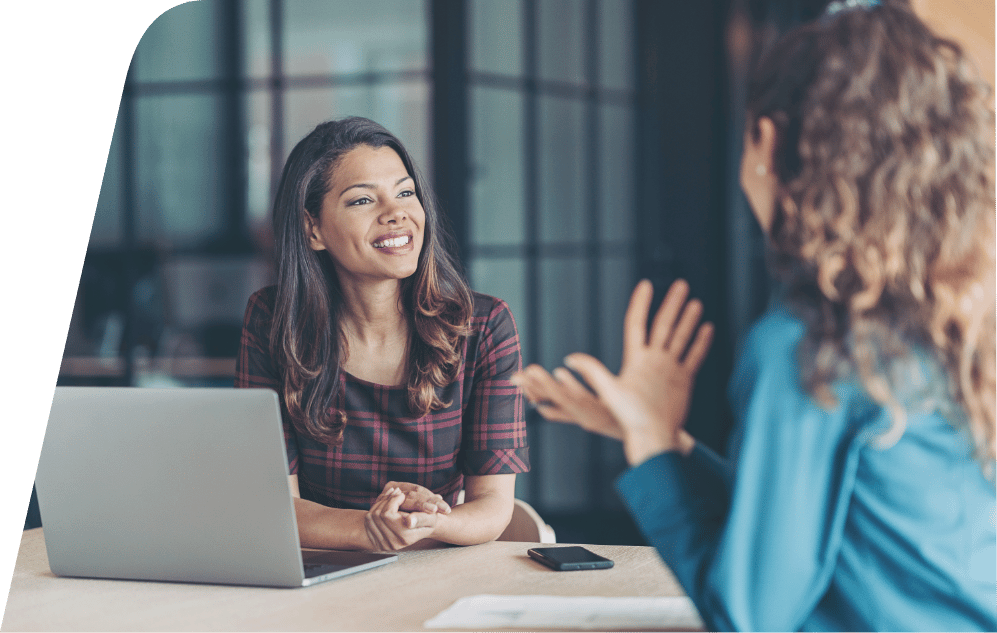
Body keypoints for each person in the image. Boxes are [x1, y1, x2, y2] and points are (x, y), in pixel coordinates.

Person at [512, 0, 996, 630]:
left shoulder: (811, 346)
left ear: (765, 140)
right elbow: (829, 522)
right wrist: (666, 442)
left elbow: (749, 616)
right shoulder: (956, 321)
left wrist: (655, 446)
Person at [236, 117, 529, 552]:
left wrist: (425, 521)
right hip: (324, 569)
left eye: (406, 192)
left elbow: (492, 505)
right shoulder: (272, 322)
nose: (396, 213)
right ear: (313, 229)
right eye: (362, 201)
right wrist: (369, 528)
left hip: (436, 564)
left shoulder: (484, 326)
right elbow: (276, 502)